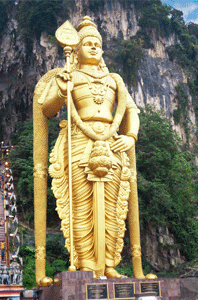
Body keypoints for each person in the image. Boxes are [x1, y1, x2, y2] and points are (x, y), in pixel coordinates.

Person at [33, 16, 148, 280]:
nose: (95, 47)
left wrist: (130, 136)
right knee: (80, 204)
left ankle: (109, 263)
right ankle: (85, 264)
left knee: (113, 206)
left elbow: (131, 111)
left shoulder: (115, 79)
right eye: (88, 44)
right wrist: (62, 90)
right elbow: (47, 109)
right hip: (78, 142)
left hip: (111, 142)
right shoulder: (69, 75)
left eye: (98, 43)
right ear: (77, 49)